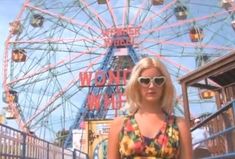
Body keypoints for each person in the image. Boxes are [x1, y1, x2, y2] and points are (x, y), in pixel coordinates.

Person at [107, 57, 192, 159]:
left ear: (165, 85)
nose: (152, 85)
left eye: (158, 80)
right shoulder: (119, 125)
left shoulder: (180, 126)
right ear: (136, 84)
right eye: (145, 80)